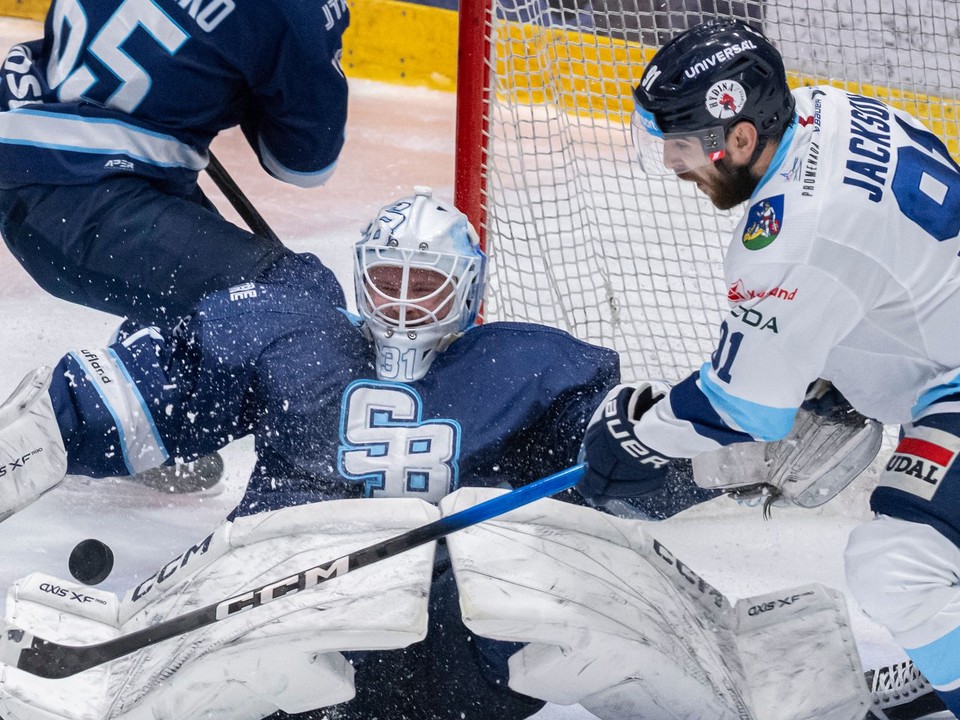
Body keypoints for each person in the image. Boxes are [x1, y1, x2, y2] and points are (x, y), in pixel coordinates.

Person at [0, 187, 636, 720]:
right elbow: (140, 397)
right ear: (360, 276)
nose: (407, 301)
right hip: (289, 625)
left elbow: (623, 464)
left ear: (469, 289)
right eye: (389, 278)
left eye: (429, 284)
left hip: (464, 659)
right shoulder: (292, 336)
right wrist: (38, 436)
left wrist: (676, 447)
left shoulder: (531, 366)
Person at [579, 17, 960, 715]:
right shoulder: (823, 107)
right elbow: (872, 270)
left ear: (743, 139)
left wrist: (639, 437)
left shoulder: (791, 238)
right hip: (945, 360)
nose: (671, 163)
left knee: (898, 566)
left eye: (683, 146)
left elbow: (743, 409)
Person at [0, 0, 349, 328]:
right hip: (86, 201)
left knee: (215, 323)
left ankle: (146, 377)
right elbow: (303, 163)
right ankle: (102, 389)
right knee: (300, 303)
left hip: (29, 144)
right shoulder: (296, 10)